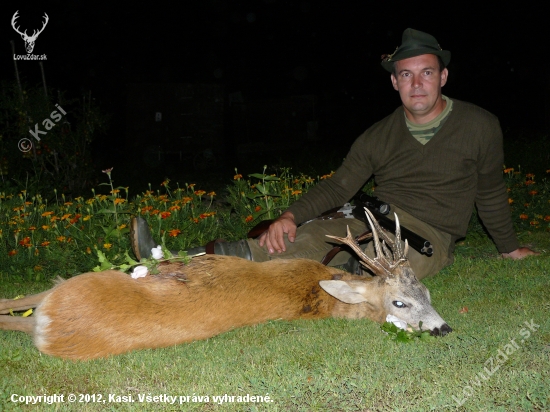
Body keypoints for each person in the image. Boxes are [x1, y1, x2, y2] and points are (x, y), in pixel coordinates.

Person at [131, 28, 538, 280]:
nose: (417, 83)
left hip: (428, 235)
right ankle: (169, 263)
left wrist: (507, 247)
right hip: (371, 217)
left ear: (443, 76)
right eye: (406, 74)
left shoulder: (480, 125)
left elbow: (489, 192)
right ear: (394, 83)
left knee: (382, 268)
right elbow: (340, 184)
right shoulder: (377, 135)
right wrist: (288, 217)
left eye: (427, 72)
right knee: (290, 243)